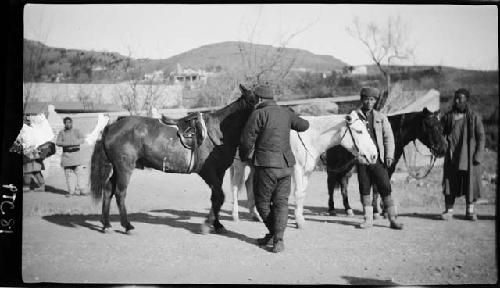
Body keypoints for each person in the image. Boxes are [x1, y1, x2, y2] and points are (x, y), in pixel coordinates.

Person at [240, 83, 310, 253]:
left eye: (256, 98)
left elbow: (246, 140)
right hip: (286, 166)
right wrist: (292, 116)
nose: (255, 101)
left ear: (260, 98)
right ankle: (276, 239)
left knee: (262, 203)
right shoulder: (286, 113)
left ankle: (275, 235)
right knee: (281, 203)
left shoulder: (258, 114)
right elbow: (304, 125)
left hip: (266, 166)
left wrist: (245, 157)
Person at [353, 87, 403, 230]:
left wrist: (389, 155)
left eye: (372, 99)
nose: (369, 102)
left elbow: (389, 138)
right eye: (366, 99)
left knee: (385, 187)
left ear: (375, 101)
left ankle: (393, 219)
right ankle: (368, 219)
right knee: (364, 188)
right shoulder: (354, 117)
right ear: (362, 99)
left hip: (378, 159)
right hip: (362, 159)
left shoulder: (381, 117)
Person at [440, 88, 485, 221]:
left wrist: (478, 155)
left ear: (466, 101)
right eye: (455, 98)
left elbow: (481, 137)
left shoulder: (474, 117)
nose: (456, 100)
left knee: (470, 183)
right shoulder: (448, 117)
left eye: (460, 98)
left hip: (469, 158)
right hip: (452, 157)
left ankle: (470, 211)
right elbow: (439, 133)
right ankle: (449, 211)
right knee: (449, 182)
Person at [56, 117, 87, 197]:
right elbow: (58, 142)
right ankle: (71, 192)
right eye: (66, 122)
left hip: (77, 156)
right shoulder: (61, 133)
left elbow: (82, 139)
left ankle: (82, 191)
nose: (68, 124)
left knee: (80, 174)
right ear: (64, 123)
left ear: (72, 123)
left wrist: (73, 143)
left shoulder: (77, 131)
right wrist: (68, 143)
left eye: (69, 122)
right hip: (66, 157)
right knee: (69, 176)